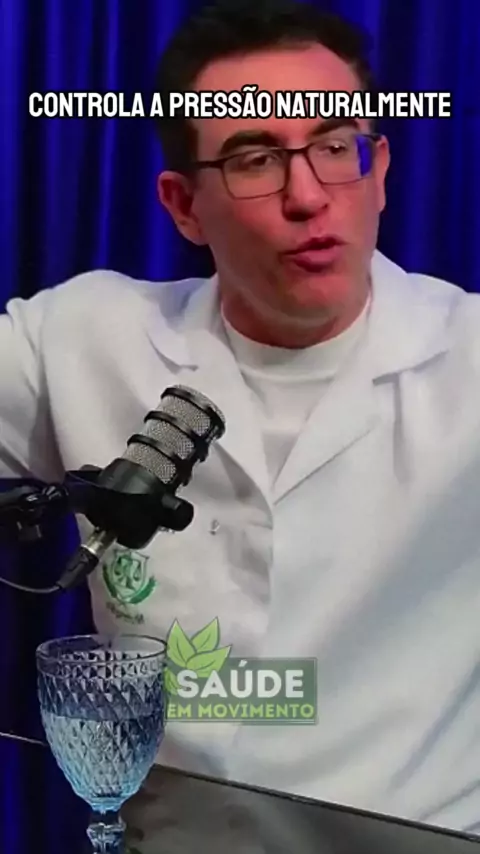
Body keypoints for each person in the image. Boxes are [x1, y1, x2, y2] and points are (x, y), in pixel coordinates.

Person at [1, 0, 480, 842]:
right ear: (183, 205)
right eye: (255, 159)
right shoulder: (79, 336)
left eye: (335, 148)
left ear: (379, 169)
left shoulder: (467, 352)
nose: (308, 196)